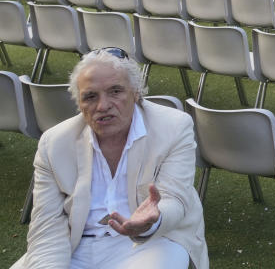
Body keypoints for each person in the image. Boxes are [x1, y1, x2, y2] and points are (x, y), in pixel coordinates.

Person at [13, 48, 208, 269]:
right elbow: (47, 226)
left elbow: (176, 199)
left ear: (136, 93)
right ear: (79, 104)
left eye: (115, 91)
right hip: (76, 244)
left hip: (153, 241)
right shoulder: (53, 143)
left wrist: (153, 220)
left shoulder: (174, 126)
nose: (103, 105)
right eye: (90, 96)